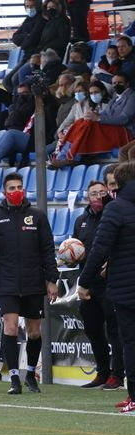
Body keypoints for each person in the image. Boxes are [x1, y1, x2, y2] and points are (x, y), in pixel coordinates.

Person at [0, 172, 59, 395]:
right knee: (11, 326)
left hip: (33, 282)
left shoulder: (37, 216)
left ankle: (31, 375)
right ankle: (14, 377)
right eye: (12, 188)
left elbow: (47, 250)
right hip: (6, 283)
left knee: (34, 332)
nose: (16, 191)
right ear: (4, 192)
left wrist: (52, 280)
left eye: (19, 187)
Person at [78, 162, 135, 413]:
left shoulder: (116, 210)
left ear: (118, 186)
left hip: (126, 288)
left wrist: (85, 281)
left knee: (130, 342)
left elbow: (99, 248)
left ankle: (133, 396)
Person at [72, 179, 125, 390]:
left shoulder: (113, 217)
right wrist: (70, 256)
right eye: (94, 193)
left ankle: (117, 375)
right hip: (87, 284)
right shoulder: (81, 221)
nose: (98, 197)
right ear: (88, 197)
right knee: (93, 329)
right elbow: (75, 247)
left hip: (109, 283)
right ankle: (102, 373)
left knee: (114, 330)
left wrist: (109, 262)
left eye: (102, 192)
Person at [50, 73, 135, 166]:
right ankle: (62, 157)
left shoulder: (132, 97)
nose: (116, 85)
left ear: (127, 83)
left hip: (124, 131)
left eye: (120, 82)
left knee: (88, 124)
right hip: (113, 129)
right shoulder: (115, 98)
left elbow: (124, 119)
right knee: (81, 121)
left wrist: (98, 118)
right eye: (114, 83)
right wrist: (94, 115)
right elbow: (104, 114)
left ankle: (72, 157)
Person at [3, 0, 46, 93]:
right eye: (27, 6)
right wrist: (27, 36)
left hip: (35, 56)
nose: (30, 9)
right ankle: (16, 100)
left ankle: (20, 99)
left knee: (15, 79)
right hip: (26, 56)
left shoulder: (41, 20)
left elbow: (32, 39)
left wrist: (25, 38)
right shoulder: (27, 20)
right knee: (6, 81)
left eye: (32, 6)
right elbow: (15, 37)